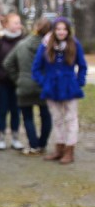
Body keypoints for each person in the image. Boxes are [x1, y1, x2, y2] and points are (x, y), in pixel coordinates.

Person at [32, 17, 88, 165]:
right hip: (51, 87)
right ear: (53, 30)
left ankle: (69, 149)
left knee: (71, 118)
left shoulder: (74, 44)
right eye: (58, 29)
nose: (61, 32)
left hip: (69, 87)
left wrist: (79, 82)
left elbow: (82, 66)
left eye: (64, 29)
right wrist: (44, 82)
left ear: (68, 31)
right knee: (57, 119)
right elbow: (36, 68)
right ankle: (59, 148)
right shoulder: (45, 45)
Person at [3, 18, 52, 156]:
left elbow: (7, 63)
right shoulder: (50, 47)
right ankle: (42, 144)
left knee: (27, 117)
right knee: (46, 116)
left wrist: (18, 79)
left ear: (36, 27)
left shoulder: (22, 44)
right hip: (44, 85)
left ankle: (33, 145)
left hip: (25, 84)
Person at [0, 12, 26, 150]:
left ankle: (15, 137)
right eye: (15, 23)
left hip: (18, 83)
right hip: (3, 82)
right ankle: (1, 137)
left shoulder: (23, 39)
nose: (18, 25)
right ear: (6, 24)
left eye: (19, 22)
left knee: (16, 111)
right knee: (2, 110)